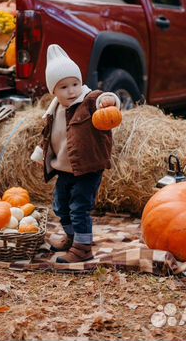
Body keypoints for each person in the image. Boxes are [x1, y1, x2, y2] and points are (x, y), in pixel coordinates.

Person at [31, 44, 120, 263]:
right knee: (61, 206)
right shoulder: (54, 110)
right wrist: (39, 154)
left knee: (79, 208)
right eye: (63, 87)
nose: (71, 91)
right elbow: (49, 135)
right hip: (64, 169)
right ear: (53, 91)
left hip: (87, 168)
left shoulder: (88, 101)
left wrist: (108, 102)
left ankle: (83, 248)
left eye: (75, 84)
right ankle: (72, 237)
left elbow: (104, 98)